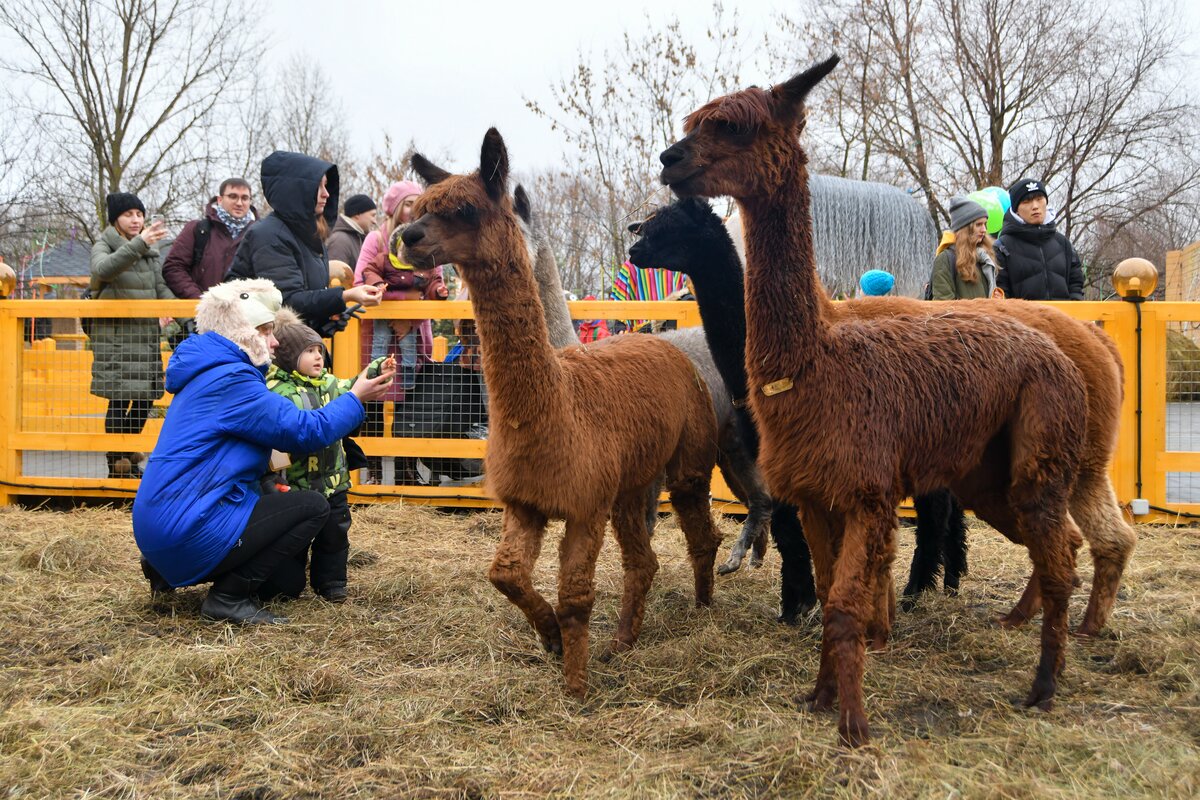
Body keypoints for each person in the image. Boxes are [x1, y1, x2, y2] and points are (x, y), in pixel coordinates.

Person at [132, 279, 395, 624]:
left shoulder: (207, 373)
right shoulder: (234, 382)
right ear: (243, 334)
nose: (274, 342)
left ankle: (165, 570)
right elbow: (305, 431)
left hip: (158, 528)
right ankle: (227, 598)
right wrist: (356, 398)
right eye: (266, 331)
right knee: (313, 506)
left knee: (283, 584)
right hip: (188, 529)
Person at [265, 309, 394, 602]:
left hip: (333, 482)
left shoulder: (329, 384)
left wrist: (375, 369)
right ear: (286, 356)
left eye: (319, 350)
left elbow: (352, 387)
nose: (317, 357)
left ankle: (332, 583)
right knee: (295, 539)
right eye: (308, 351)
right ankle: (289, 581)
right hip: (297, 485)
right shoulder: (278, 392)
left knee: (335, 536)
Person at [226, 151, 382, 336]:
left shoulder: (310, 236)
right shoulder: (269, 235)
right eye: (319, 186)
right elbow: (286, 301)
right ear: (297, 190)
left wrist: (327, 320)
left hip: (291, 348)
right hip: (260, 350)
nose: (326, 194)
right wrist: (344, 296)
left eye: (326, 186)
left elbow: (300, 311)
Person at [354, 180, 448, 484]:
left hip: (415, 330)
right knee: (376, 393)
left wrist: (419, 306)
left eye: (418, 204)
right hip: (379, 333)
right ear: (395, 208)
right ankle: (375, 471)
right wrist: (393, 305)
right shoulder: (375, 240)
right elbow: (360, 283)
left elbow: (435, 285)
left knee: (411, 396)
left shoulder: (429, 242)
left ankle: (408, 470)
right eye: (408, 203)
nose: (413, 211)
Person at [89, 191, 174, 478]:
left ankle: (126, 453)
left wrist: (185, 312)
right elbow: (103, 270)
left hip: (145, 333)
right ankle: (117, 463)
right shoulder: (104, 243)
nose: (136, 219)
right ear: (116, 219)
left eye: (139, 214)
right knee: (119, 396)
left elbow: (160, 286)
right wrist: (140, 243)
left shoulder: (150, 251)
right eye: (129, 214)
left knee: (147, 395)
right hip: (116, 336)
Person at [161, 178, 258, 300]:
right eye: (233, 196)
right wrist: (200, 300)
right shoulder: (197, 229)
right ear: (220, 199)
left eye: (244, 198)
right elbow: (174, 268)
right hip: (201, 314)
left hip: (246, 315)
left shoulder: (259, 235)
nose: (239, 203)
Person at [995, 178, 1085, 300]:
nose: (1035, 206)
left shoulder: (1063, 243)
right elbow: (1001, 291)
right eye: (1027, 201)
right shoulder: (1002, 247)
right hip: (1022, 317)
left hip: (1063, 317)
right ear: (1016, 209)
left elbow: (1076, 284)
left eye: (1039, 199)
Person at [930, 197, 1003, 300]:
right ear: (964, 229)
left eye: (985, 224)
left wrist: (997, 300)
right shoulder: (945, 259)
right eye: (978, 225)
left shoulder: (985, 257)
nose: (984, 230)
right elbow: (943, 308)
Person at [325, 193, 377, 267]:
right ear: (357, 214)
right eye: (373, 215)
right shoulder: (340, 241)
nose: (375, 221)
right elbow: (335, 276)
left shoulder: (358, 238)